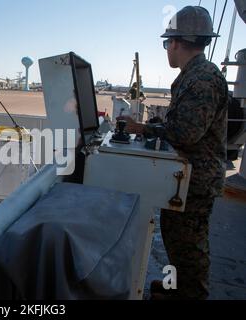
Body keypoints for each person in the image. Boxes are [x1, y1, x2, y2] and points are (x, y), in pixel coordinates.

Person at [119, 6, 228, 300]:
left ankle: (191, 294)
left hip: (197, 180)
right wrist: (157, 125)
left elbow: (186, 133)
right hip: (187, 175)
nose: (167, 48)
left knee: (189, 247)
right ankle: (175, 288)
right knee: (176, 241)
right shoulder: (196, 74)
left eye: (167, 42)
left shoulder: (202, 78)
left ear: (178, 42)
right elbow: (183, 125)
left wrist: (142, 129)